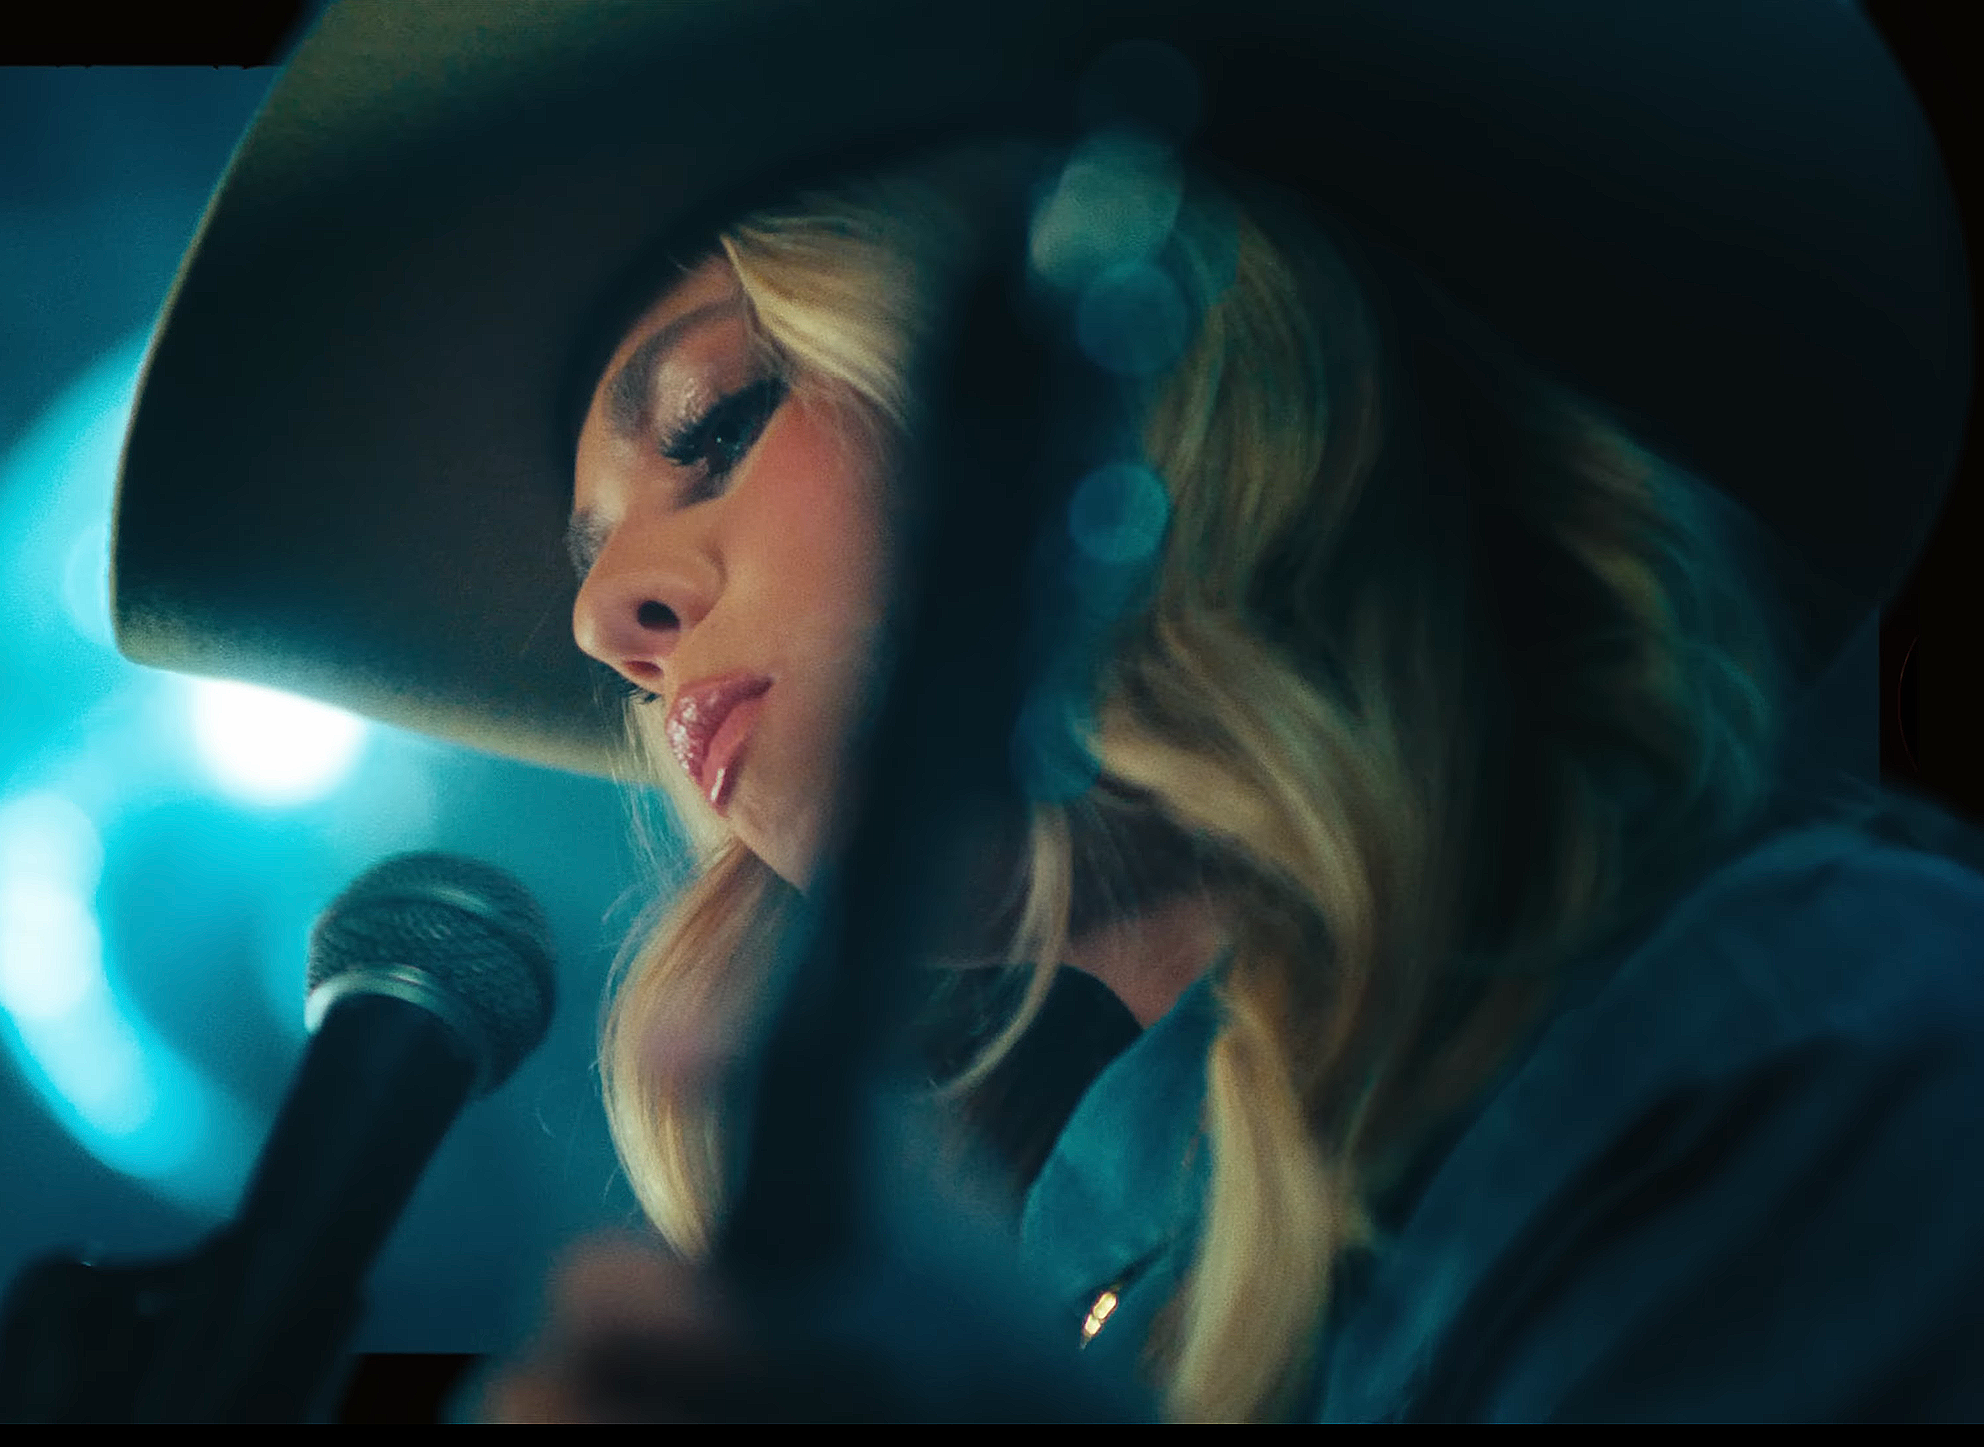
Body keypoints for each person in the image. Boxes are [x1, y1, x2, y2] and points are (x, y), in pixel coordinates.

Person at [108, 0, 1981, 1422]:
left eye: (718, 423)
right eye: (594, 576)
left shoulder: (1793, 1038)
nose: (608, 622)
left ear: (1134, 391)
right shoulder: (1094, 1283)